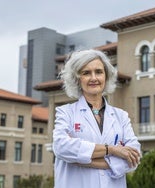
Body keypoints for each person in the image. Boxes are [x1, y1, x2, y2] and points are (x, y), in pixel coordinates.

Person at [53, 49, 141, 188]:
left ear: (106, 77)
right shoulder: (66, 113)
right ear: (77, 78)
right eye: (86, 73)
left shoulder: (121, 116)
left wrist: (79, 159)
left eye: (99, 72)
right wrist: (112, 150)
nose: (94, 78)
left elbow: (134, 156)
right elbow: (61, 147)